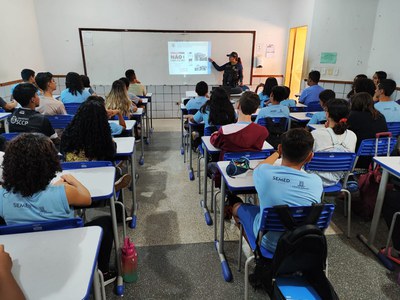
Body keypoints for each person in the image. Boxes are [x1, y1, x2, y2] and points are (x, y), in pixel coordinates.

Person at [0, 133, 116, 284]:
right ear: (49, 163)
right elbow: (87, 198)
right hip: (65, 251)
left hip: (22, 254)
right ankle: (104, 272)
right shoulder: (64, 191)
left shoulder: (2, 195)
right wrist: (72, 180)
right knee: (106, 222)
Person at [233, 128, 323, 253]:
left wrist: (276, 153)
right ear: (310, 157)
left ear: (280, 149)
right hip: (303, 243)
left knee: (236, 207)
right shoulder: (316, 182)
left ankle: (257, 254)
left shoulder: (264, 172)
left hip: (269, 244)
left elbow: (262, 165)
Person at [310, 98, 357, 186]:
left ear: (327, 114)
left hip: (313, 179)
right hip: (337, 179)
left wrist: (325, 129)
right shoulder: (352, 135)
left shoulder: (316, 134)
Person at [210, 91, 269, 160]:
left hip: (228, 168)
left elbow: (216, 142)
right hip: (252, 167)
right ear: (255, 110)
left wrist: (214, 135)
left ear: (238, 106)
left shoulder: (225, 130)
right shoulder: (263, 131)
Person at [348, 92, 388, 168]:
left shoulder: (352, 116)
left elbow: (343, 133)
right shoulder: (380, 116)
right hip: (378, 158)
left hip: (358, 158)